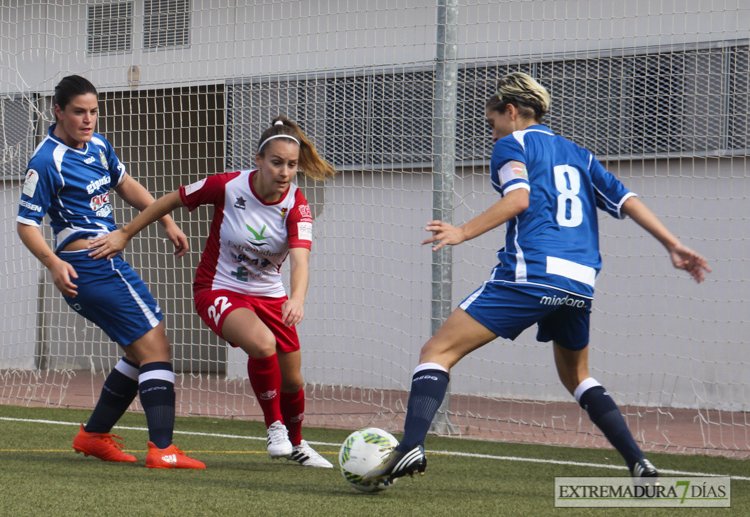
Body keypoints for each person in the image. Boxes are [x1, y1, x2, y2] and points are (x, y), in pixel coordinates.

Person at [363, 72, 711, 484]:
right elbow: (627, 199)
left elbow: (519, 198)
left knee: (436, 352)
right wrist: (672, 243)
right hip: (580, 281)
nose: (492, 135)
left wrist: (462, 231)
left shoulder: (513, 144)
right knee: (577, 376)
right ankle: (639, 462)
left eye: (492, 124)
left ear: (511, 112)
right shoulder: (579, 153)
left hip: (532, 275)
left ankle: (410, 446)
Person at [87, 116, 337, 468]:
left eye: (292, 165)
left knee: (293, 380)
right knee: (262, 344)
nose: (284, 172)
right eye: (277, 162)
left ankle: (297, 444)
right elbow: (170, 200)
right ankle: (275, 428)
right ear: (258, 160)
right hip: (218, 289)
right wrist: (126, 233)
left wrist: (296, 298)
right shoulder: (229, 186)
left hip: (271, 297)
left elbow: (300, 261)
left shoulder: (297, 205)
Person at [16, 75, 204, 469]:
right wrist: (53, 262)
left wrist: (167, 221)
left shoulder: (98, 145)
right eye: (79, 112)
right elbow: (26, 223)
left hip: (105, 263)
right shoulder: (45, 161)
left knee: (139, 353)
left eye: (94, 111)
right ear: (58, 112)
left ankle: (94, 435)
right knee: (157, 349)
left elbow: (125, 184)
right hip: (91, 264)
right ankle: (162, 450)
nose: (88, 120)